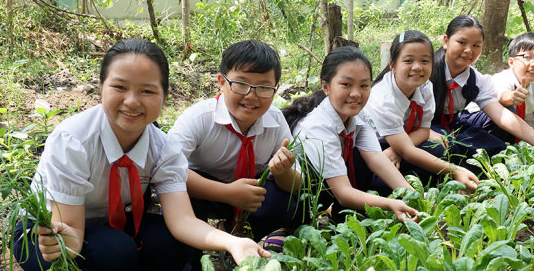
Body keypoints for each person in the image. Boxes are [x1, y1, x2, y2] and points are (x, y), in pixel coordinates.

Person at [13, 39, 270, 271]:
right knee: (113, 250)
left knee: (171, 240)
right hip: (47, 235)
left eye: (148, 91)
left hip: (112, 228)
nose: (132, 101)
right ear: (101, 87)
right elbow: (73, 235)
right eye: (120, 87)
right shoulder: (74, 140)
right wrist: (58, 248)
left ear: (164, 96)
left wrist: (233, 243)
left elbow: (183, 221)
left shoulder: (163, 148)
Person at [168, 40, 302, 257]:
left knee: (283, 202)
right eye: (241, 84)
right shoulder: (199, 118)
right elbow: (168, 170)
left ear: (276, 89)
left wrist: (283, 171)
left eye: (264, 87)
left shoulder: (275, 120)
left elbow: (297, 183)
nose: (251, 95)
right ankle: (188, 267)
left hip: (247, 192)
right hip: (205, 190)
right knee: (184, 199)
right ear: (222, 82)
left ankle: (246, 235)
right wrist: (227, 193)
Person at [284, 46, 417, 222]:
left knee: (363, 158)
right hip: (302, 198)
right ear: (326, 86)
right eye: (346, 84)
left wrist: (411, 195)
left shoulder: (359, 114)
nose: (356, 94)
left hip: (334, 186)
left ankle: (345, 214)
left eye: (364, 85)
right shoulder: (317, 126)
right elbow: (343, 192)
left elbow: (376, 157)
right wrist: (390, 204)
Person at [429, 15, 534, 172]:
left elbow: (501, 115)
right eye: (462, 42)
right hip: (416, 128)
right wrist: (426, 133)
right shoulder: (426, 69)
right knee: (440, 148)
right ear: (446, 41)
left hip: (452, 124)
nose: (468, 50)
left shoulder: (476, 79)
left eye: (476, 45)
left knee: (497, 147)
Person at [364, 30, 479, 192]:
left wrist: (397, 149)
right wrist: (455, 171)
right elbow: (408, 150)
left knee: (441, 146)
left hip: (402, 141)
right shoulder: (383, 98)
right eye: (408, 61)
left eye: (425, 61)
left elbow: (424, 130)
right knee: (380, 184)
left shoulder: (425, 87)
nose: (417, 67)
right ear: (392, 65)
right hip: (376, 149)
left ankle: (421, 181)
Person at [463, 32, 534, 140]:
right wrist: (512, 97)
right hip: (474, 122)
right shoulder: (502, 78)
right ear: (511, 62)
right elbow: (501, 96)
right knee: (507, 110)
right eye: (528, 57)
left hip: (505, 129)